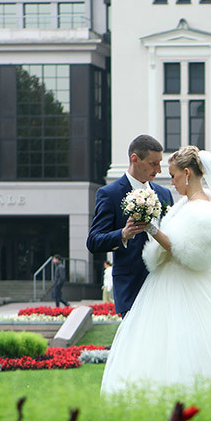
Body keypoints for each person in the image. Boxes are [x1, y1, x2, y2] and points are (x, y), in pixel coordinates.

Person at [100, 146, 211, 402]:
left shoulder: (202, 209)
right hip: (167, 283)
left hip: (187, 284)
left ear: (186, 173)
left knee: (187, 341)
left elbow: (189, 253)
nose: (171, 183)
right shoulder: (186, 204)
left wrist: (152, 229)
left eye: (173, 176)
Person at [87, 135, 173, 316]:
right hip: (131, 288)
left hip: (166, 285)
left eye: (159, 163)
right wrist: (123, 234)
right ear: (135, 159)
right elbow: (94, 241)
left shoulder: (164, 195)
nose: (158, 170)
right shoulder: (109, 194)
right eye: (153, 164)